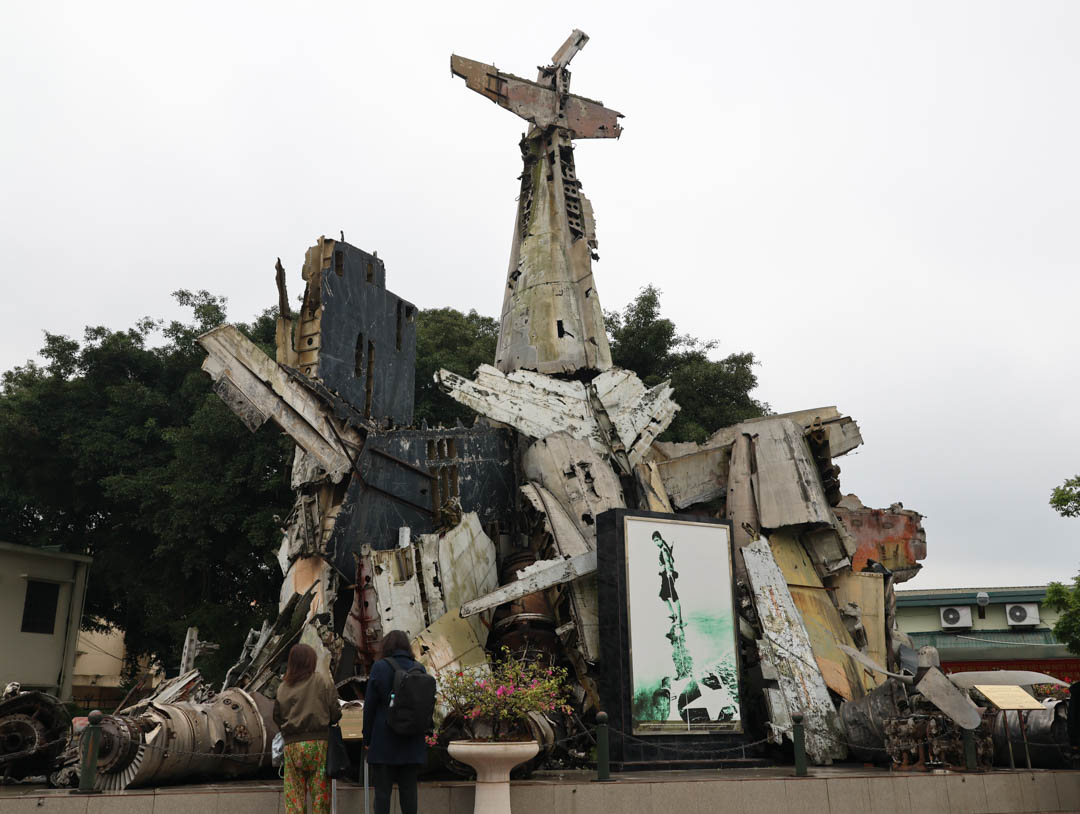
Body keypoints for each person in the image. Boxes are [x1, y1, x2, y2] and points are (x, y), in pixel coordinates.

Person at [363, 630, 428, 814]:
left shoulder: (380, 667)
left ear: (386, 646)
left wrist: (367, 739)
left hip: (384, 741)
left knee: (382, 795)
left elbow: (369, 707)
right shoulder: (418, 668)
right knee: (409, 795)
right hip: (412, 742)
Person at [273, 643, 341, 814]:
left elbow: (277, 716)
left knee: (294, 797)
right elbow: (335, 711)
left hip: (292, 746)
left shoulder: (283, 687)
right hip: (318, 744)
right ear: (311, 661)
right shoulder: (322, 681)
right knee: (320, 797)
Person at [653, 530, 683, 627]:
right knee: (663, 595)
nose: (656, 542)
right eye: (654, 541)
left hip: (668, 575)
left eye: (657, 540)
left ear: (661, 539)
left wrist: (669, 572)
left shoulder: (664, 550)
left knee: (674, 597)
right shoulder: (664, 548)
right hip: (665, 576)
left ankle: (679, 619)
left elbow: (668, 562)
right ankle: (673, 615)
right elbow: (668, 561)